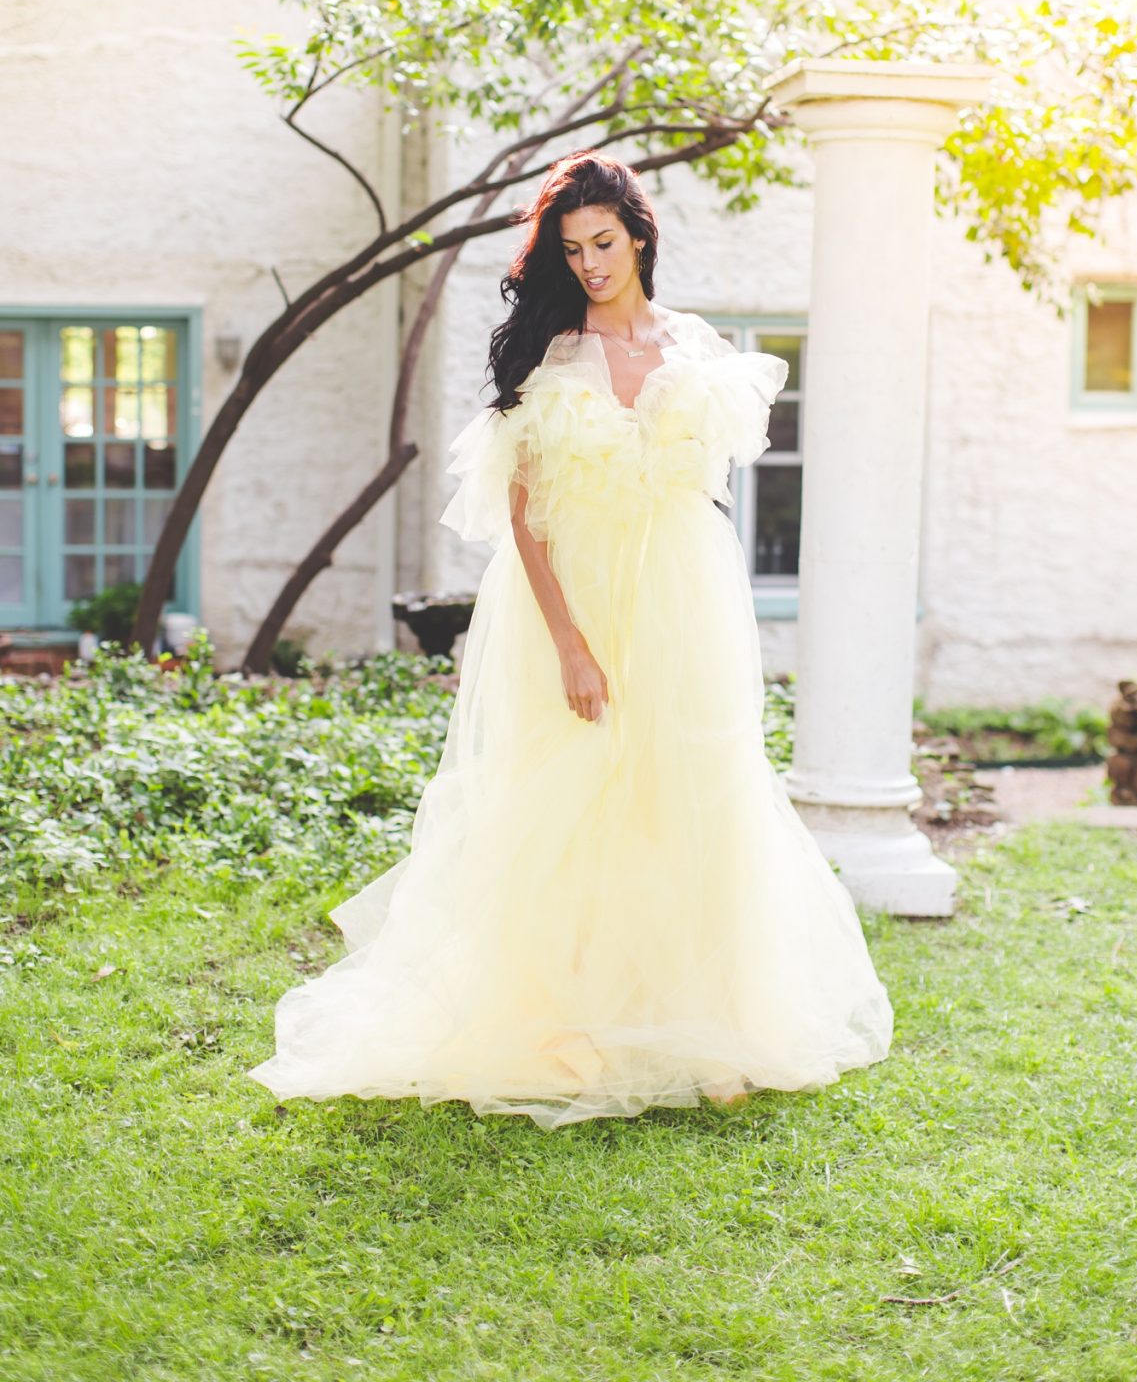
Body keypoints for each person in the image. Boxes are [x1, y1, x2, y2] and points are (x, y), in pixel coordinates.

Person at [248, 152, 893, 1129]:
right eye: (571, 249)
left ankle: (705, 1024)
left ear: (638, 236)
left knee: (685, 804)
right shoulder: (549, 354)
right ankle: (572, 1030)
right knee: (573, 809)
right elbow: (525, 516)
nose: (589, 262)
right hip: (574, 601)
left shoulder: (699, 352)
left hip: (680, 599)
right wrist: (572, 645)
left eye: (602, 242)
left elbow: (703, 488)